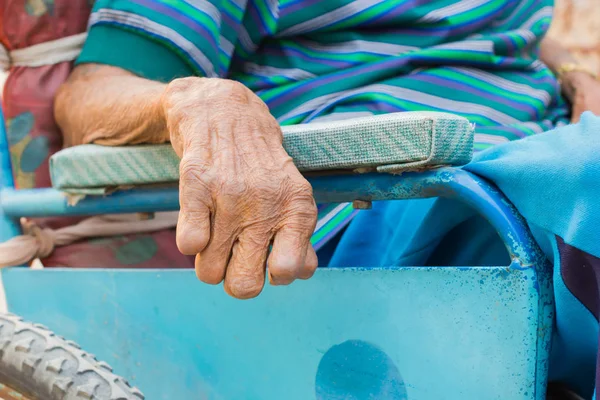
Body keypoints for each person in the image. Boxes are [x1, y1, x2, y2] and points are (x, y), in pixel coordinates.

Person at [54, 1, 600, 396]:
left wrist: (572, 70)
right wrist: (202, 103)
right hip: (391, 199)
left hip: (539, 162)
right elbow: (91, 94)